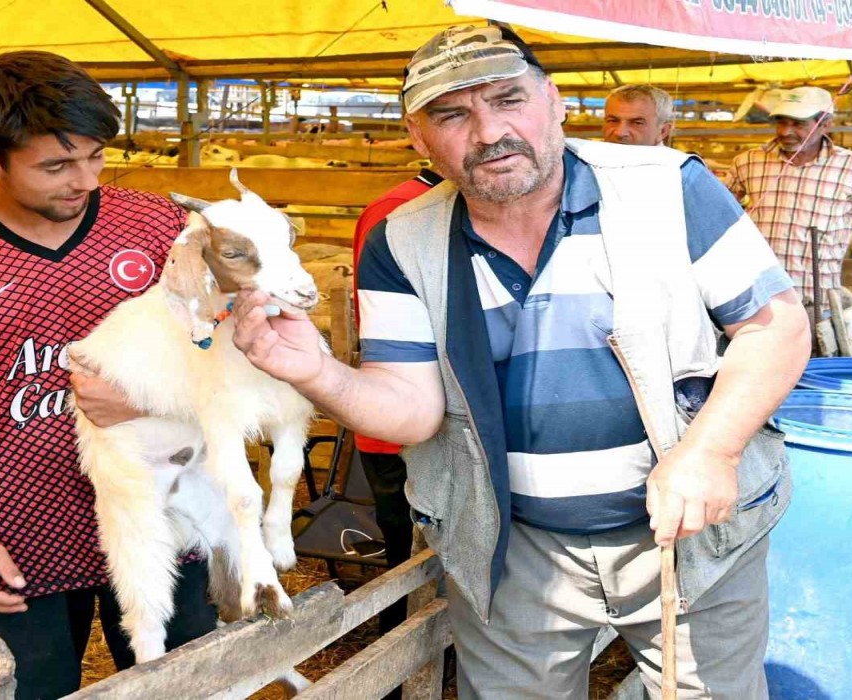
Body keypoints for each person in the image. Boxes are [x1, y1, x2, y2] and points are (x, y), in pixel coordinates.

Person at [232, 24, 810, 698]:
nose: (488, 132)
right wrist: (317, 373)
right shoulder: (401, 240)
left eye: (509, 100)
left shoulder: (668, 186)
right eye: (452, 114)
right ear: (417, 138)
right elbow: (412, 410)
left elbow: (775, 327)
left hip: (689, 534)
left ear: (555, 101)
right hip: (514, 547)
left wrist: (711, 451)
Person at [0, 51, 216, 699]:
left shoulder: (158, 229)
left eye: (94, 156)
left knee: (188, 688)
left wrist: (152, 393)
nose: (83, 179)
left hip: (162, 520)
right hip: (15, 539)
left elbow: (222, 345)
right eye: (55, 165)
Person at [349, 167, 442, 698]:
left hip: (427, 422)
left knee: (428, 551)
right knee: (406, 552)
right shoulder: (397, 212)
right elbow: (389, 329)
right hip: (401, 426)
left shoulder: (438, 205)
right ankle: (396, 669)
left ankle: (426, 659)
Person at [727, 85, 852, 308]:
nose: (785, 132)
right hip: (757, 297)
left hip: (817, 300)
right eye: (781, 122)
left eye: (798, 124)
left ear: (826, 124)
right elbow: (717, 209)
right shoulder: (748, 161)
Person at [602, 84, 675, 146]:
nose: (620, 133)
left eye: (637, 123)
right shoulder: (593, 159)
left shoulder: (678, 162)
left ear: (663, 131)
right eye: (613, 121)